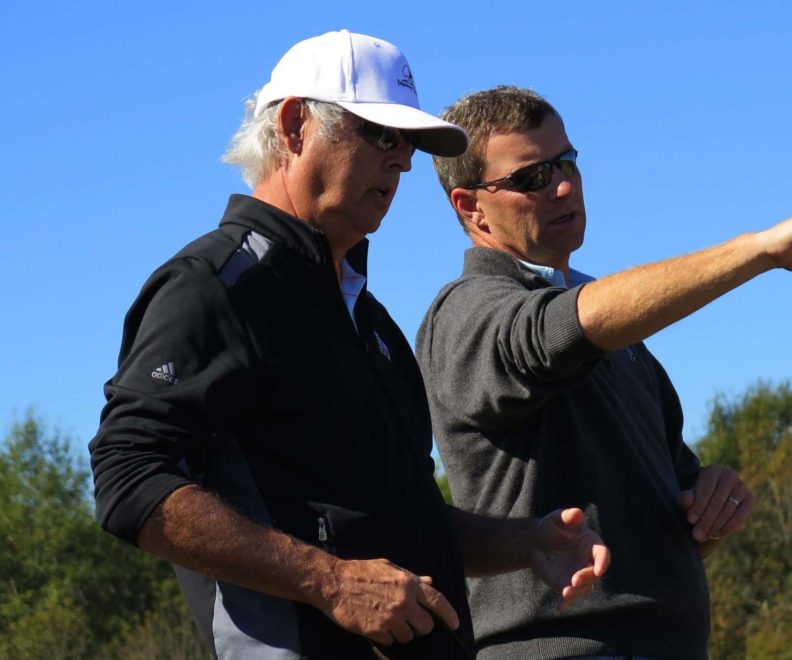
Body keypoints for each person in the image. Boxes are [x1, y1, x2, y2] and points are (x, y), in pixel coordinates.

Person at [89, 35, 609, 660]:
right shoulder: (214, 285)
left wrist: (525, 543)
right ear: (293, 125)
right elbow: (129, 480)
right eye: (381, 135)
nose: (404, 163)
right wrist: (329, 581)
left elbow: (403, 521)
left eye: (410, 143)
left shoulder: (374, 322)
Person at [417, 85, 792, 659]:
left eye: (566, 162)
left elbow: (677, 496)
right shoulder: (466, 311)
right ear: (470, 206)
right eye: (532, 178)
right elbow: (558, 331)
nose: (565, 186)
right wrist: (762, 251)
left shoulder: (619, 338)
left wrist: (710, 498)